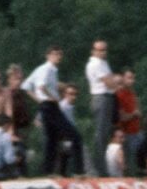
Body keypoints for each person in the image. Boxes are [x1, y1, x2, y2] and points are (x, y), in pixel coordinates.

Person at [22, 46, 77, 175]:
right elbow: (41, 87)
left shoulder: (48, 70)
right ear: (48, 55)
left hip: (46, 104)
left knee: (52, 141)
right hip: (49, 105)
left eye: (60, 54)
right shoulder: (47, 69)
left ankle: (50, 171)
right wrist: (50, 98)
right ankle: (51, 170)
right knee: (58, 139)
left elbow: (26, 86)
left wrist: (40, 100)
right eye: (55, 54)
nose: (58, 57)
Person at [85, 40, 120, 175]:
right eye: (99, 50)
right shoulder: (96, 64)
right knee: (100, 135)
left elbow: (111, 80)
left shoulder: (103, 63)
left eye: (104, 49)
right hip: (101, 97)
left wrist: (114, 81)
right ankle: (99, 168)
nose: (102, 52)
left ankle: (103, 167)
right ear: (93, 51)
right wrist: (116, 82)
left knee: (105, 134)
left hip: (107, 97)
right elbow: (110, 83)